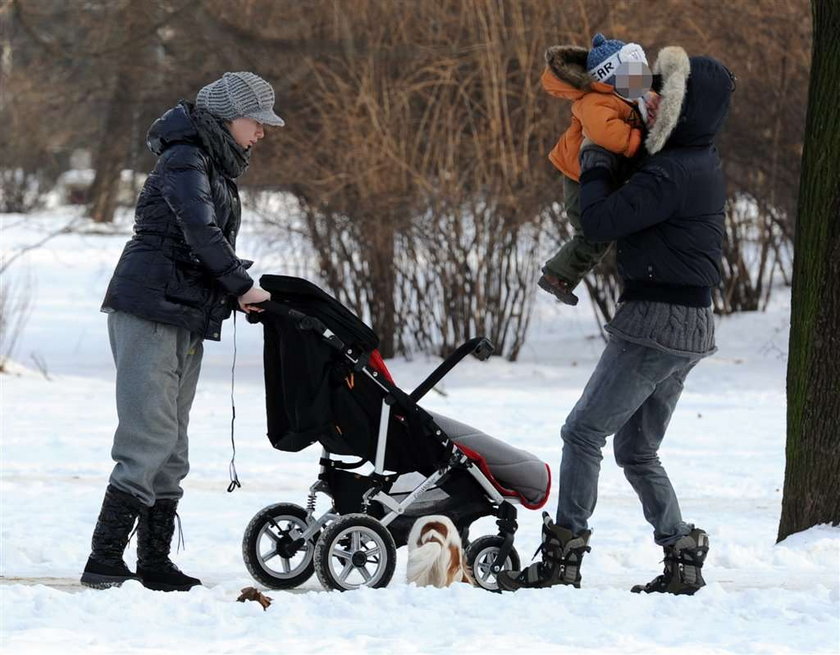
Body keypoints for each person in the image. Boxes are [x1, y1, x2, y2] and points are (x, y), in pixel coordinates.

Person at [498, 47, 735, 595]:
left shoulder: (674, 171)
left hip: (655, 321)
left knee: (581, 432)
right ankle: (682, 554)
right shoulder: (695, 161)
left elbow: (601, 220)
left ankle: (563, 558)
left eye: (664, 96)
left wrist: (597, 158)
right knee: (635, 449)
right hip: (690, 323)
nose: (651, 102)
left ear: (684, 109)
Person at [80, 72, 284, 591]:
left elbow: (200, 240)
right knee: (147, 437)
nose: (261, 132)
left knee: (172, 447)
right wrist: (241, 286)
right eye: (256, 122)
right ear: (229, 116)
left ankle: (154, 562)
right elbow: (199, 230)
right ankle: (104, 559)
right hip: (149, 310)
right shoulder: (184, 157)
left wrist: (232, 289)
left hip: (183, 312)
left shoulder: (209, 161)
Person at [538, 33, 655, 306]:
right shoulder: (595, 101)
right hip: (578, 176)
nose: (642, 79)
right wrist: (639, 141)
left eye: (642, 71)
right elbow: (606, 133)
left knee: (601, 233)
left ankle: (560, 275)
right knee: (594, 232)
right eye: (633, 74)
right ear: (611, 79)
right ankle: (557, 275)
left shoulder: (629, 98)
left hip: (597, 175)